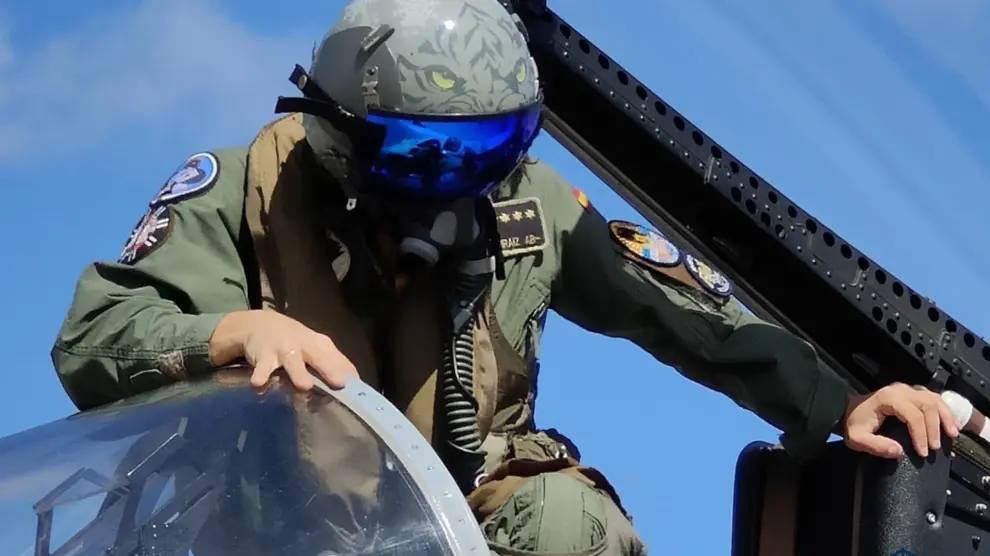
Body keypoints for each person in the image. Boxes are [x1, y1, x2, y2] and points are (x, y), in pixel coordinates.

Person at [51, 0, 960, 554]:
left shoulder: (524, 203)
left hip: (457, 519)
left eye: (492, 146)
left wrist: (838, 402)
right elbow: (95, 336)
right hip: (268, 527)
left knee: (569, 524)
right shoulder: (244, 190)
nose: (464, 178)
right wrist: (235, 333)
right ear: (342, 132)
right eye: (428, 151)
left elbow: (693, 317)